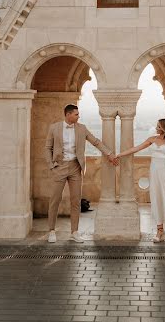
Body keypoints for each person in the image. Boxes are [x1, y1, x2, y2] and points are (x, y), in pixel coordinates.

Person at [44, 104, 118, 243]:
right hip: (58, 167)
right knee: (55, 199)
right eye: (76, 114)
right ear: (68, 115)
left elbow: (95, 142)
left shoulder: (81, 128)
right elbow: (48, 148)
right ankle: (51, 231)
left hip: (75, 167)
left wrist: (109, 153)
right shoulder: (54, 128)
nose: (79, 116)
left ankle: (74, 232)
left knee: (76, 201)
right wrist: (51, 165)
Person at [117, 118, 165, 242]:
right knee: (156, 200)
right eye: (156, 126)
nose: (156, 128)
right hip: (154, 172)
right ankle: (160, 231)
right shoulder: (152, 139)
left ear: (164, 128)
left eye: (158, 126)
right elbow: (136, 148)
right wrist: (120, 154)